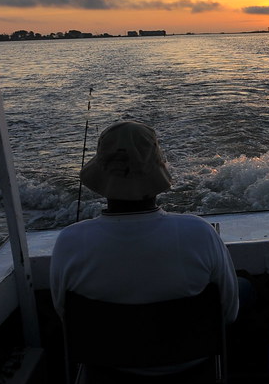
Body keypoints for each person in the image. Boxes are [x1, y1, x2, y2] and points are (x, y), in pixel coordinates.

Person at [50, 120, 240, 329]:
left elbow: (63, 315)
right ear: (156, 171)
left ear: (102, 174)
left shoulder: (69, 242)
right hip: (194, 359)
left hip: (102, 360)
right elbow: (229, 313)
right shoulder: (200, 233)